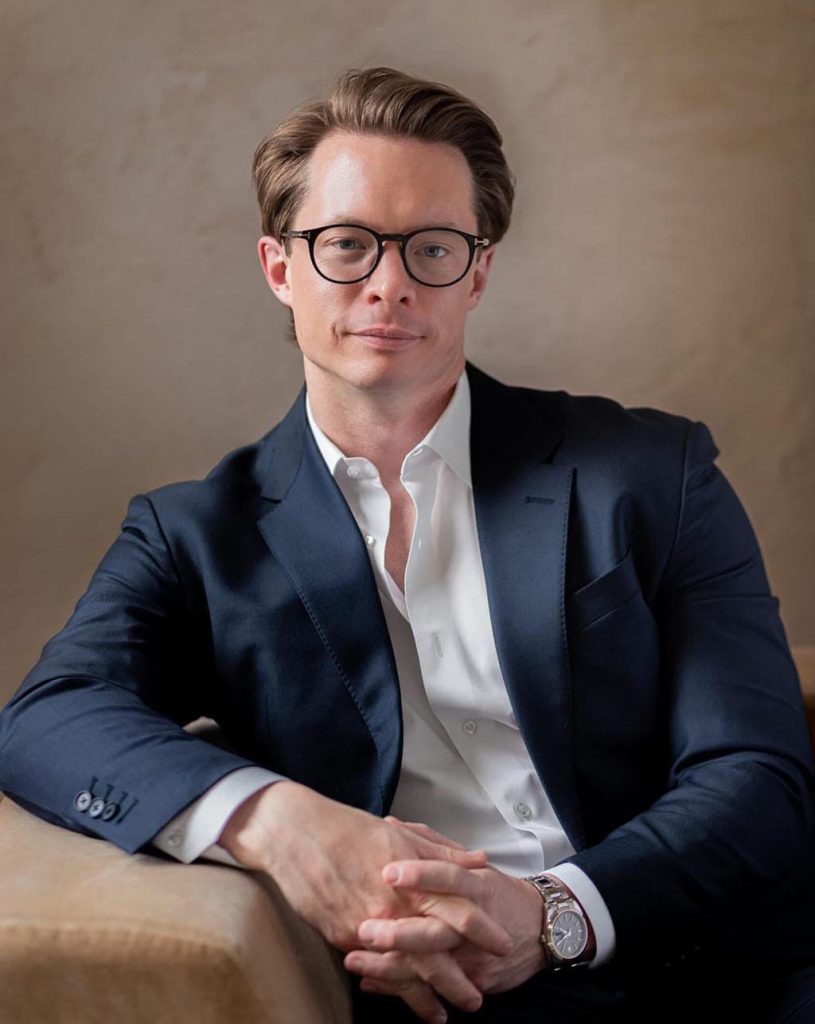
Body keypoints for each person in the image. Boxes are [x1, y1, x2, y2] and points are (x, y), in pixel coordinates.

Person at [1, 66, 814, 1023]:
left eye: (431, 248)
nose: (388, 284)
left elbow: (756, 775)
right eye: (346, 244)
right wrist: (279, 822)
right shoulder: (195, 536)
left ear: (477, 273)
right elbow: (48, 715)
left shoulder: (651, 472)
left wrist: (553, 913)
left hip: (704, 964)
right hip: (427, 997)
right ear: (279, 269)